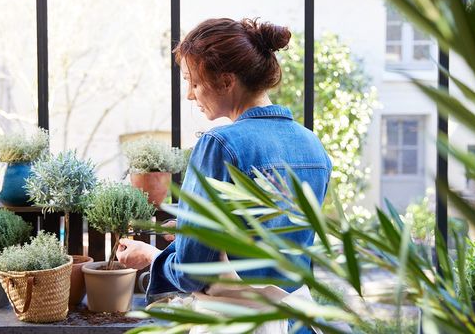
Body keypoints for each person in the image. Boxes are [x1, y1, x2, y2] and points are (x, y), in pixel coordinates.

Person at [117, 18, 331, 301]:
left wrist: (152, 256)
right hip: (299, 320)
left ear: (226, 81)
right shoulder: (313, 146)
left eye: (193, 82)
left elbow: (192, 271)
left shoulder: (220, 145)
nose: (190, 94)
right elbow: (270, 239)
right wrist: (190, 235)